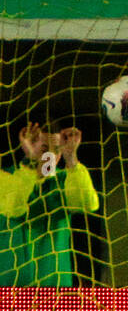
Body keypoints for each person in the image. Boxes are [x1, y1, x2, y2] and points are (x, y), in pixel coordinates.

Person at [0, 122, 100, 286]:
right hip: (9, 288)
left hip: (55, 290)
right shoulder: (6, 176)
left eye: (57, 150)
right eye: (44, 148)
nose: (51, 156)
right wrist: (31, 162)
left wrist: (71, 159)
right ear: (28, 146)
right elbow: (14, 208)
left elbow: (88, 204)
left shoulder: (66, 179)